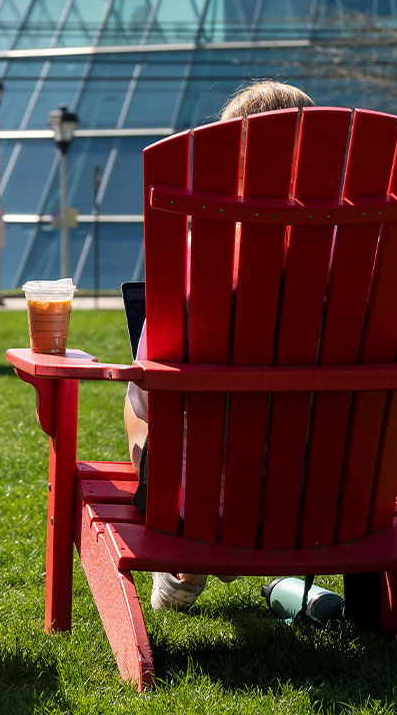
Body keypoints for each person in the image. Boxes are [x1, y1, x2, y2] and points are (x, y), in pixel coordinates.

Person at [127, 79, 315, 613]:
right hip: (325, 497)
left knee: (136, 405)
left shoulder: (198, 253)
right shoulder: (367, 254)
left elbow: (149, 394)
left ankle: (182, 571)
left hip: (206, 503)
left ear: (230, 160)